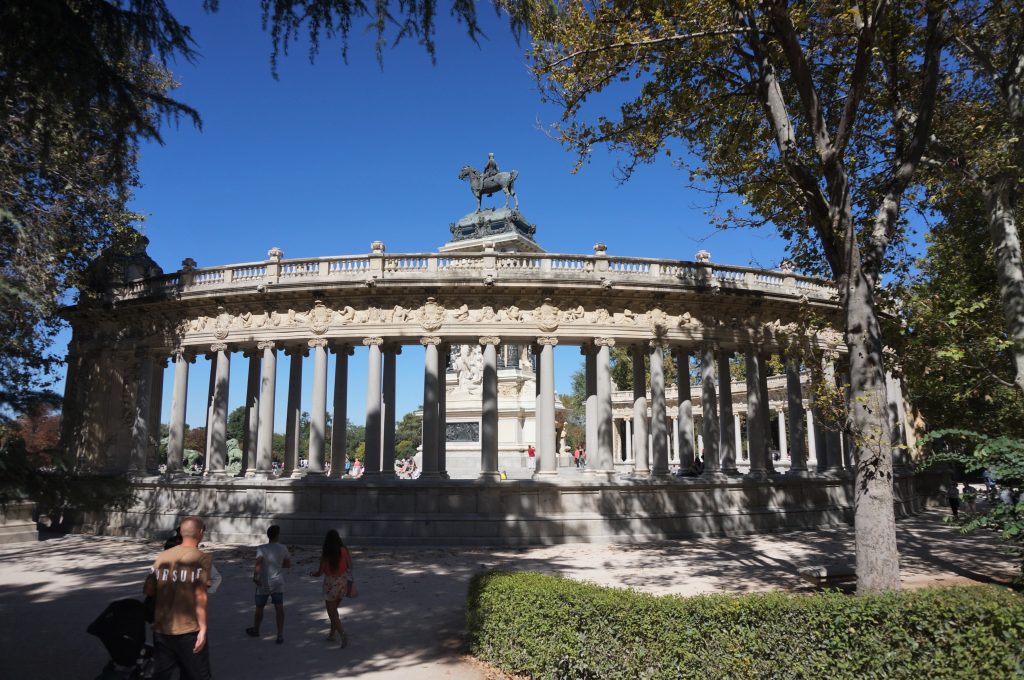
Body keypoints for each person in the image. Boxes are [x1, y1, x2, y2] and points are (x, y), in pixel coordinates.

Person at [144, 515, 213, 680]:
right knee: (198, 674)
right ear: (201, 532)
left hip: (162, 629)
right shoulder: (202, 558)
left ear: (181, 532)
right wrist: (203, 629)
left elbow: (148, 590)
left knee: (162, 674)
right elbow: (200, 596)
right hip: (189, 630)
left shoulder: (163, 557)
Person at [246, 525, 291, 644]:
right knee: (279, 607)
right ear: (277, 535)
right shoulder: (283, 548)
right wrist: (277, 564)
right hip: (278, 582)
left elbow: (258, 563)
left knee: (259, 607)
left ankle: (256, 629)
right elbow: (287, 564)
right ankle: (280, 634)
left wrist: (255, 576)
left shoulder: (261, 548)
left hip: (264, 581)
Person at [311, 529, 353, 647]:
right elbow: (350, 566)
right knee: (334, 611)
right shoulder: (344, 550)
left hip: (330, 584)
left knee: (332, 612)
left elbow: (320, 572)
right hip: (343, 582)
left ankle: (342, 634)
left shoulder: (326, 553)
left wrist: (312, 574)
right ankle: (332, 634)